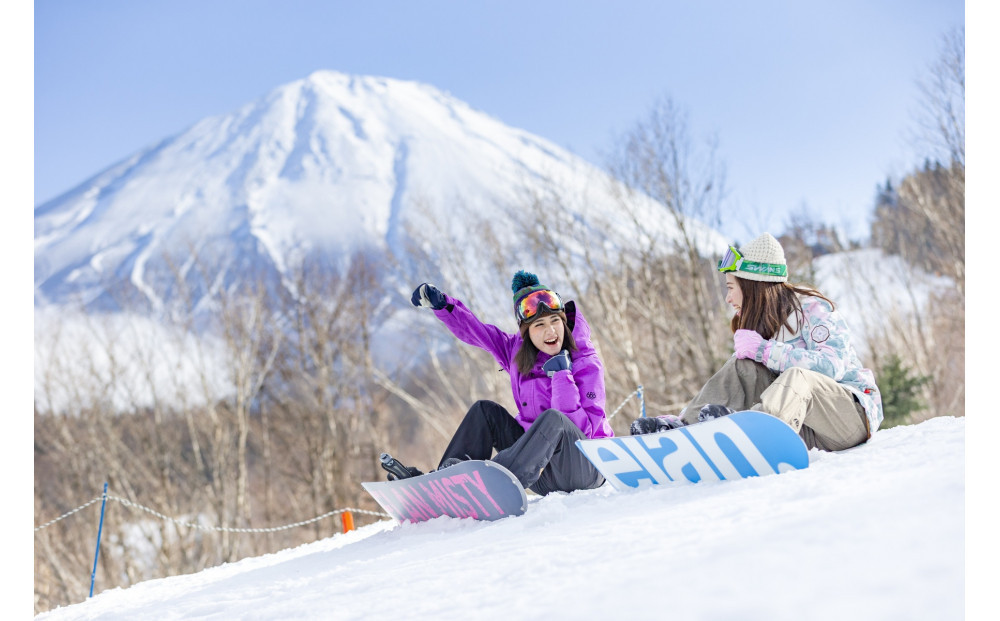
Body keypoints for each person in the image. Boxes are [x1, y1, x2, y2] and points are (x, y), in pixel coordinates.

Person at [630, 232, 882, 451]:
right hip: (803, 426)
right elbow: (737, 381)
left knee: (798, 376)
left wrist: (765, 350)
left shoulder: (812, 309)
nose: (728, 298)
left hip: (850, 417)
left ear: (752, 286)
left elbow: (833, 366)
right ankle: (685, 430)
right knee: (742, 367)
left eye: (731, 287)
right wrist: (758, 353)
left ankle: (756, 434)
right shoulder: (763, 324)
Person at [387, 270, 611, 495]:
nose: (550, 331)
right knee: (485, 411)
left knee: (555, 419)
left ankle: (492, 484)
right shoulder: (518, 354)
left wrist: (562, 376)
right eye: (539, 325)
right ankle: (447, 484)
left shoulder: (585, 361)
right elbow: (477, 332)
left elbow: (583, 433)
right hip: (542, 474)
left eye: (555, 321)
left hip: (587, 466)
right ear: (527, 334)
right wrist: (444, 305)